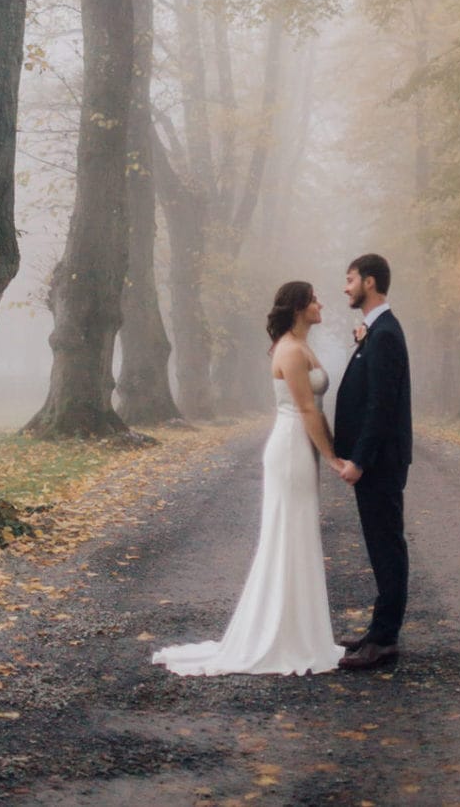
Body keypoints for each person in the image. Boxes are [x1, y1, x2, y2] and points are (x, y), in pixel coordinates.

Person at [152, 282, 344, 676]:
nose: (321, 303)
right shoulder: (291, 350)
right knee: (287, 536)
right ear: (299, 307)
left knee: (299, 534)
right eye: (314, 299)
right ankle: (281, 635)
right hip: (291, 447)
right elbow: (307, 410)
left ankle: (302, 632)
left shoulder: (300, 345)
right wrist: (335, 458)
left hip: (299, 448)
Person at [333, 253, 412, 670]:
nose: (345, 287)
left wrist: (360, 461)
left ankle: (384, 641)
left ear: (370, 281)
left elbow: (381, 407)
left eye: (350, 279)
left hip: (380, 464)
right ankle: (377, 632)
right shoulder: (377, 330)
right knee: (381, 546)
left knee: (387, 547)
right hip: (376, 462)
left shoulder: (384, 335)